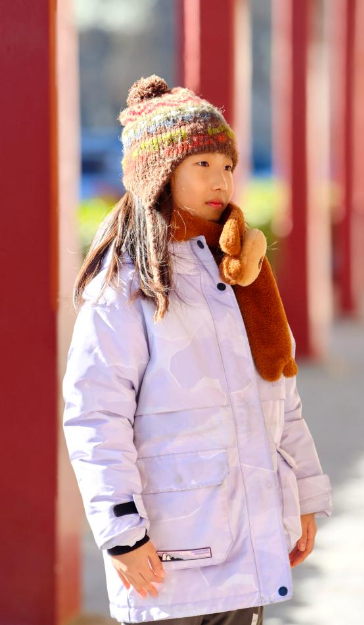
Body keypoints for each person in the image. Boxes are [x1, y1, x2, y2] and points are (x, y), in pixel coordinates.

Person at [62, 74, 333, 625]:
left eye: (228, 165)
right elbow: (95, 413)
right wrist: (121, 530)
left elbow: (282, 396)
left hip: (249, 545)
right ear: (159, 173)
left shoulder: (244, 271)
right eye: (202, 164)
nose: (220, 180)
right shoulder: (128, 282)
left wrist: (304, 493)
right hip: (165, 552)